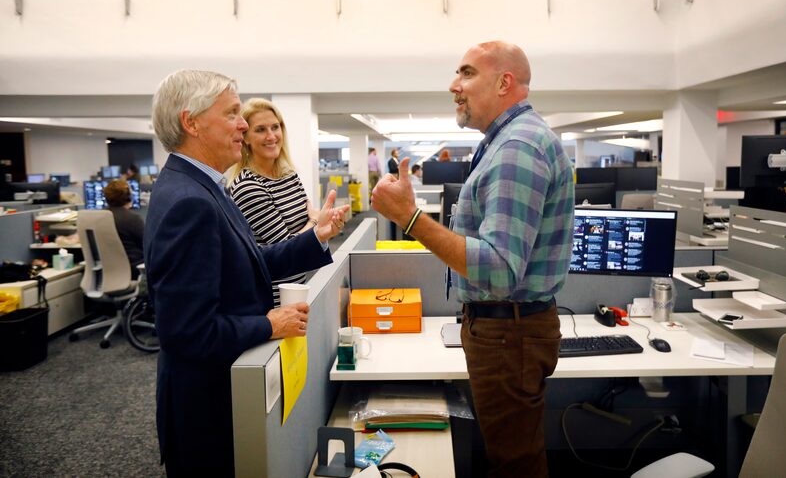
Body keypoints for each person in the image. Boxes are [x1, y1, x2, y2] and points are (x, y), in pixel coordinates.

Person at [372, 41, 574, 478]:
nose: (453, 85)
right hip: (507, 330)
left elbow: (499, 270)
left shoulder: (518, 147)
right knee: (511, 454)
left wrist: (409, 219)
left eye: (466, 73)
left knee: (514, 463)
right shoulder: (507, 141)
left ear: (504, 83)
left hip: (508, 332)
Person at [144, 69, 348, 477]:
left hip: (222, 391)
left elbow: (251, 263)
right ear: (192, 122)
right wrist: (267, 324)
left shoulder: (205, 186)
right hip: (208, 406)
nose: (243, 125)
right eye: (233, 114)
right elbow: (187, 331)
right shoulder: (191, 201)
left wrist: (317, 237)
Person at [227, 98, 320, 307]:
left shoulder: (289, 174)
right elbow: (284, 248)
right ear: (246, 138)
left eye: (275, 127)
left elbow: (301, 236)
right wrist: (315, 224)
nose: (271, 136)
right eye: (260, 129)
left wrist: (316, 224)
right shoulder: (248, 187)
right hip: (272, 296)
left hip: (298, 282)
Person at [102, 178, 144, 279]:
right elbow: (148, 246)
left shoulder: (99, 218)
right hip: (133, 271)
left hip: (107, 273)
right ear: (128, 197)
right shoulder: (132, 219)